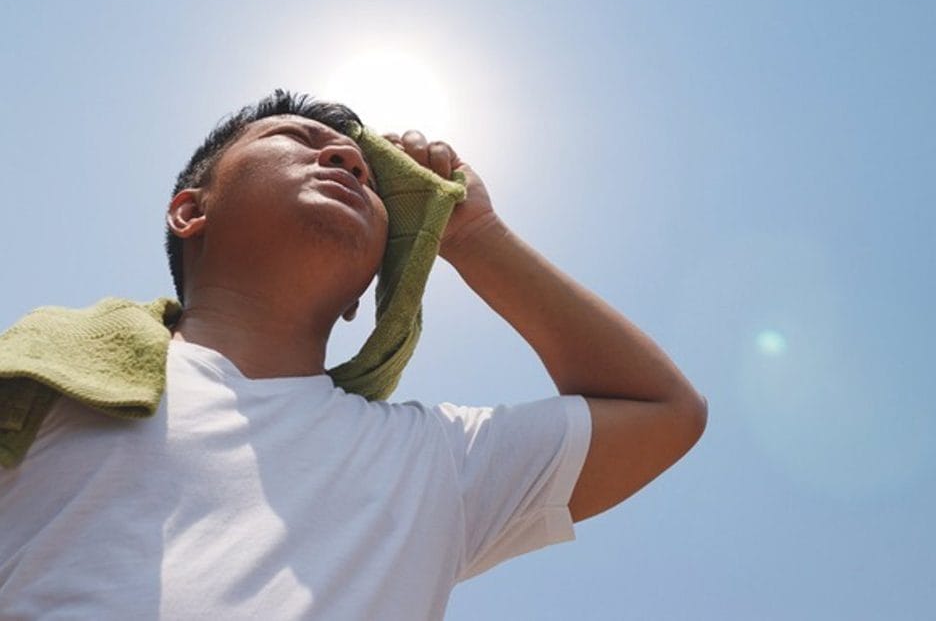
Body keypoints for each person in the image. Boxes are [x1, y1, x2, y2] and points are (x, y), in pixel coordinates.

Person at [0, 91, 707, 619]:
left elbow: (663, 412)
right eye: (296, 138)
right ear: (191, 211)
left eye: (372, 180)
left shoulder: (431, 463)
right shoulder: (47, 382)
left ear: (361, 294)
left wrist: (475, 233)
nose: (342, 159)